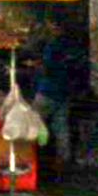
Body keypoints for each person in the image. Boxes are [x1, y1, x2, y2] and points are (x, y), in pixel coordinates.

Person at [31, 20, 72, 170]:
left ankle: (32, 155)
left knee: (34, 122)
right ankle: (63, 159)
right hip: (64, 91)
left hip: (47, 91)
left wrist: (36, 65)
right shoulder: (69, 45)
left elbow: (47, 68)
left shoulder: (52, 45)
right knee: (61, 127)